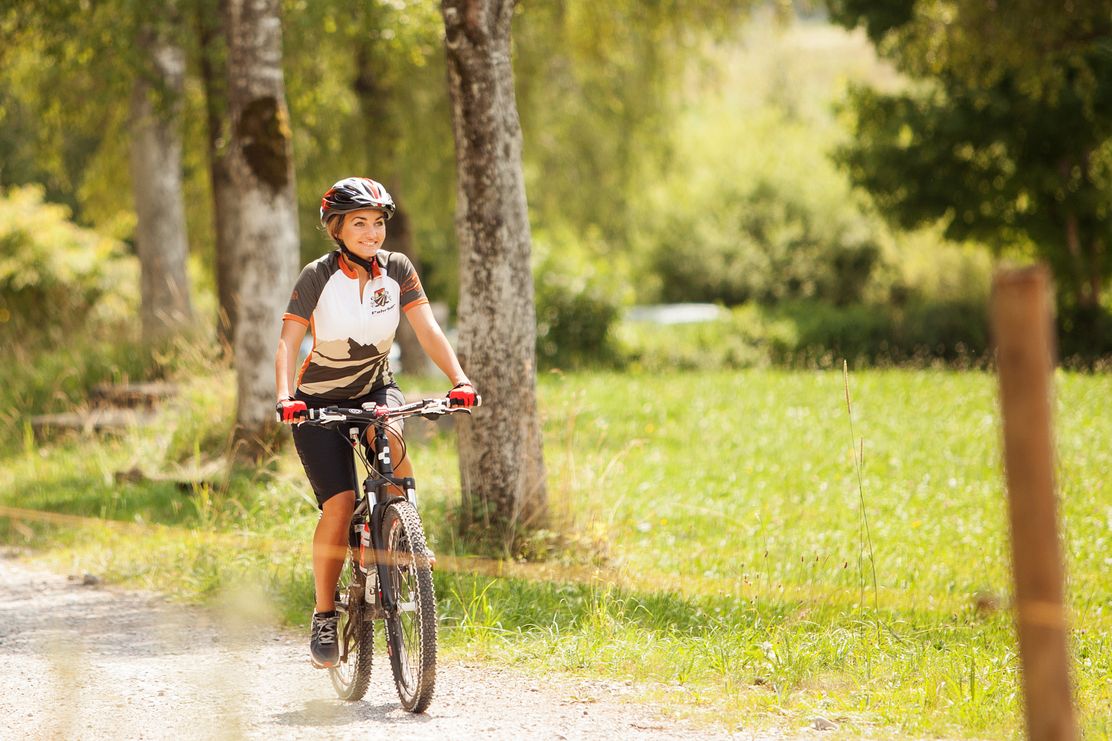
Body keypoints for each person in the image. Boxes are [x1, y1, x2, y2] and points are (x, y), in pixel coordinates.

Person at [274, 177, 477, 668]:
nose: (372, 232)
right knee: (340, 505)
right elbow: (287, 341)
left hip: (375, 390)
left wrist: (458, 377)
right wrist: (285, 397)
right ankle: (325, 613)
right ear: (336, 228)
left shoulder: (398, 270)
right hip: (318, 402)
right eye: (359, 223)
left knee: (392, 446)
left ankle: (404, 536)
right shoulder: (317, 276)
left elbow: (426, 327)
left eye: (379, 222)